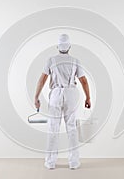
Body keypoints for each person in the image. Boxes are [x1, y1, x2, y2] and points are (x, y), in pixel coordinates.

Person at [34, 34, 91, 170]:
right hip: (71, 94)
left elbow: (42, 80)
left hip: (55, 94)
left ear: (58, 46)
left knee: (53, 127)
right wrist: (88, 98)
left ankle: (50, 162)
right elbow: (83, 80)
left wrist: (36, 97)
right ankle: (74, 162)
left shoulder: (51, 60)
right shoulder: (75, 61)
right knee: (71, 128)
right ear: (69, 47)